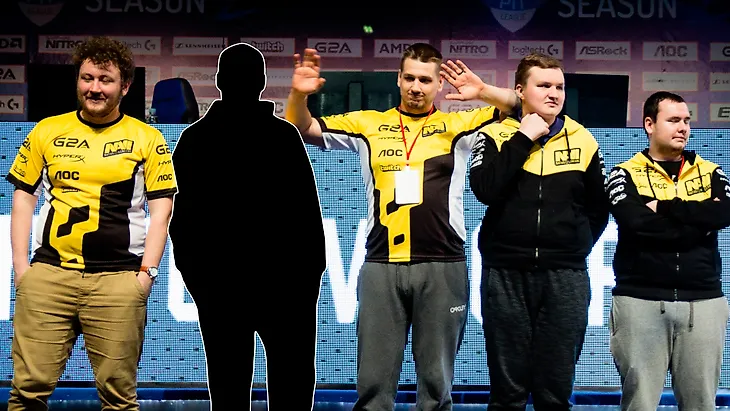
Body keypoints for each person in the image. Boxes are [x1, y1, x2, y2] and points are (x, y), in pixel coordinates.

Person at [285, 43, 519, 411]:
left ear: (438, 84)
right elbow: (300, 127)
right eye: (409, 78)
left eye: (425, 80)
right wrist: (299, 94)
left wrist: (483, 91)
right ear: (398, 78)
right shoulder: (368, 125)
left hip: (443, 266)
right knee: (373, 387)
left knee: (436, 388)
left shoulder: (459, 125)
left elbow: (521, 106)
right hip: (382, 266)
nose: (416, 87)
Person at [5, 35, 176, 410]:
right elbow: (23, 197)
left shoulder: (147, 138)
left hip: (118, 282)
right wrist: (21, 269)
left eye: (105, 80)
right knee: (27, 392)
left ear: (125, 86)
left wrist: (146, 275)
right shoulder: (47, 130)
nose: (94, 88)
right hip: (49, 277)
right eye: (87, 78)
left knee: (119, 399)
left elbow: (161, 211)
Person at [168, 42, 326, 410]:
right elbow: (307, 219)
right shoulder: (281, 136)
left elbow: (182, 224)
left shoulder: (195, 139)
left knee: (229, 387)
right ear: (262, 82)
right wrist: (307, 282)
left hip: (226, 288)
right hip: (282, 289)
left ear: (219, 81)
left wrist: (199, 281)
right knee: (290, 385)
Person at [468, 53, 609, 411]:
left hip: (565, 276)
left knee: (555, 392)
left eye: (559, 86)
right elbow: (485, 189)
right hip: (505, 273)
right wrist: (523, 138)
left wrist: (573, 245)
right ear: (520, 91)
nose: (554, 93)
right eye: (544, 85)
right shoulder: (494, 134)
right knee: (507, 393)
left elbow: (598, 209)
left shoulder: (583, 138)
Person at [606, 91, 730, 411]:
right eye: (673, 120)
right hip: (640, 300)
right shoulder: (623, 173)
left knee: (701, 405)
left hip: (703, 301)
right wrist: (697, 222)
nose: (683, 127)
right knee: (640, 405)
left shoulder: (712, 172)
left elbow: (723, 214)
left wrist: (663, 207)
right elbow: (636, 223)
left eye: (687, 120)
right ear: (649, 124)